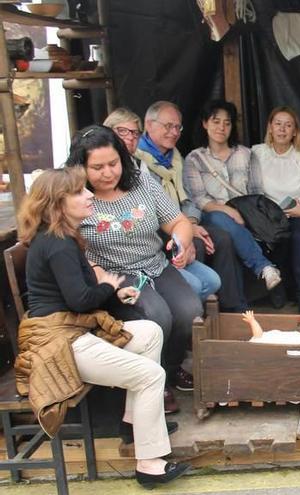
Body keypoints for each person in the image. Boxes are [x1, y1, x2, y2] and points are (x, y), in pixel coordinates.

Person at [14, 167, 190, 489]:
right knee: (152, 375)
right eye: (80, 192)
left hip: (71, 332)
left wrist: (113, 289)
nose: (90, 195)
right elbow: (81, 301)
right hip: (60, 344)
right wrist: (109, 286)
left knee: (150, 331)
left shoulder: (63, 237)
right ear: (58, 203)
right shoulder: (58, 244)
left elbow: (76, 297)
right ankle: (149, 465)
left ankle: (133, 425)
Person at [67, 125, 203, 415]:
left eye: (113, 163)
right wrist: (102, 278)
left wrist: (180, 241)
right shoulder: (74, 197)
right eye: (97, 167)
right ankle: (154, 381)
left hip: (155, 264)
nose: (108, 173)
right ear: (81, 168)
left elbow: (178, 222)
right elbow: (69, 248)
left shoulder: (142, 181)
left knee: (190, 311)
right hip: (115, 276)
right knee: (156, 316)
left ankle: (170, 367)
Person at [134, 101, 247, 312]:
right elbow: (149, 210)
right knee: (199, 243)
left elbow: (191, 199)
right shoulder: (138, 161)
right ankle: (194, 311)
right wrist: (185, 229)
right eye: (168, 126)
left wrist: (191, 222)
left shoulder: (176, 158)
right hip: (158, 229)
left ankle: (232, 308)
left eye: (178, 127)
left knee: (221, 237)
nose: (174, 132)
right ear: (148, 125)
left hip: (181, 222)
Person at [105, 108, 221, 303]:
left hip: (160, 239)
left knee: (211, 280)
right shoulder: (97, 174)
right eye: (122, 131)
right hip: (128, 256)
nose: (130, 138)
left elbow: (176, 209)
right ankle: (179, 311)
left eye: (134, 133)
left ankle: (184, 310)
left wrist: (184, 238)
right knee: (194, 284)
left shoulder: (140, 167)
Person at [183, 99, 283, 292]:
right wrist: (227, 210)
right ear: (205, 123)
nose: (222, 127)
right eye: (216, 121)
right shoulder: (195, 158)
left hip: (245, 216)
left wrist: (253, 216)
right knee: (220, 218)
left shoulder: (246, 154)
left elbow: (256, 192)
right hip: (211, 216)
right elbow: (199, 199)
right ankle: (263, 267)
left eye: (227, 123)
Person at [250, 106, 300, 313]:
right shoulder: (256, 153)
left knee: (298, 237)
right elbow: (251, 188)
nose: (282, 129)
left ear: (295, 131)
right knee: (274, 238)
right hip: (268, 213)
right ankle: (277, 289)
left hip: (299, 211)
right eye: (278, 124)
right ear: (270, 127)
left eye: (288, 125)